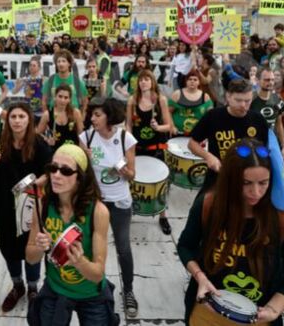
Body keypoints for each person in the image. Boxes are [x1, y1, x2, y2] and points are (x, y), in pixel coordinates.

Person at [177, 139, 284, 326]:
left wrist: (273, 309)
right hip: (207, 313)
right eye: (245, 183)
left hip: (258, 318)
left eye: (263, 183)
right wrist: (200, 277)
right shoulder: (209, 206)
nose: (255, 192)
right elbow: (185, 246)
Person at [25, 144, 116, 325]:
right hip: (56, 288)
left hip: (91, 294)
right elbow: (30, 258)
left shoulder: (98, 212)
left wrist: (79, 261)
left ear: (80, 178)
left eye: (66, 171)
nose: (56, 175)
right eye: (53, 168)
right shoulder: (42, 206)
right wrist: (39, 247)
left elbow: (98, 274)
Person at [0, 102, 52, 312]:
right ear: (7, 120)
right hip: (5, 205)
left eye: (22, 116)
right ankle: (17, 286)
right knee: (9, 246)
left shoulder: (38, 144)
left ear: (29, 119)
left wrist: (40, 181)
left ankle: (32, 288)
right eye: (13, 117)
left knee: (31, 247)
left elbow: (50, 170)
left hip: (31, 204)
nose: (17, 121)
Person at [79, 97, 139, 318]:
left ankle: (129, 290)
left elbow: (133, 176)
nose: (92, 118)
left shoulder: (126, 138)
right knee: (92, 246)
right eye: (92, 114)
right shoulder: (86, 137)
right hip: (95, 203)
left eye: (97, 115)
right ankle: (94, 288)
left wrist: (124, 172)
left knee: (123, 247)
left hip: (120, 202)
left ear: (109, 116)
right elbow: (83, 171)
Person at [188, 78, 269, 193]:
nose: (243, 105)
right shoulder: (213, 116)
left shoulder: (258, 120)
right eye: (238, 100)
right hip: (217, 179)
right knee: (198, 209)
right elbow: (192, 144)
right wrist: (208, 156)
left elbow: (264, 151)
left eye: (247, 101)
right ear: (228, 97)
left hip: (247, 182)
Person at [126, 69, 174, 234]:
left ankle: (163, 216)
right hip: (138, 147)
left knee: (160, 184)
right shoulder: (132, 100)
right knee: (133, 182)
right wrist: (128, 140)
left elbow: (169, 126)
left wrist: (158, 127)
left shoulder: (161, 100)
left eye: (147, 79)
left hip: (156, 147)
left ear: (153, 81)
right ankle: (130, 211)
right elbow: (128, 125)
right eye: (141, 80)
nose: (143, 82)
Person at [250, 68, 284, 162]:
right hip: (253, 145)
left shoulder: (277, 99)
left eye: (272, 79)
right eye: (266, 80)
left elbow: (279, 125)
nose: (270, 82)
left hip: (272, 144)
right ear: (258, 80)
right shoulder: (250, 99)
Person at [37, 84, 84, 152]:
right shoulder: (47, 114)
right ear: (55, 97)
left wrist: (81, 151)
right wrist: (46, 139)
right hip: (54, 152)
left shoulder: (75, 113)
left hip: (72, 151)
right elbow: (38, 134)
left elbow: (81, 135)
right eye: (60, 96)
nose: (62, 100)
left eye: (66, 97)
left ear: (69, 99)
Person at [168, 69, 214, 137]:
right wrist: (171, 126)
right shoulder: (177, 94)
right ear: (186, 81)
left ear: (199, 82)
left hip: (198, 134)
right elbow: (168, 112)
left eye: (195, 79)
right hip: (178, 133)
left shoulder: (205, 97)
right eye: (190, 79)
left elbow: (211, 116)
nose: (192, 81)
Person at [14, 56, 45, 123]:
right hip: (28, 111)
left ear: (39, 67)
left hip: (40, 111)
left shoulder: (43, 79)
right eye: (30, 65)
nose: (31, 67)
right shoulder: (25, 79)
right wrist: (17, 85)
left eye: (34, 65)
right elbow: (14, 92)